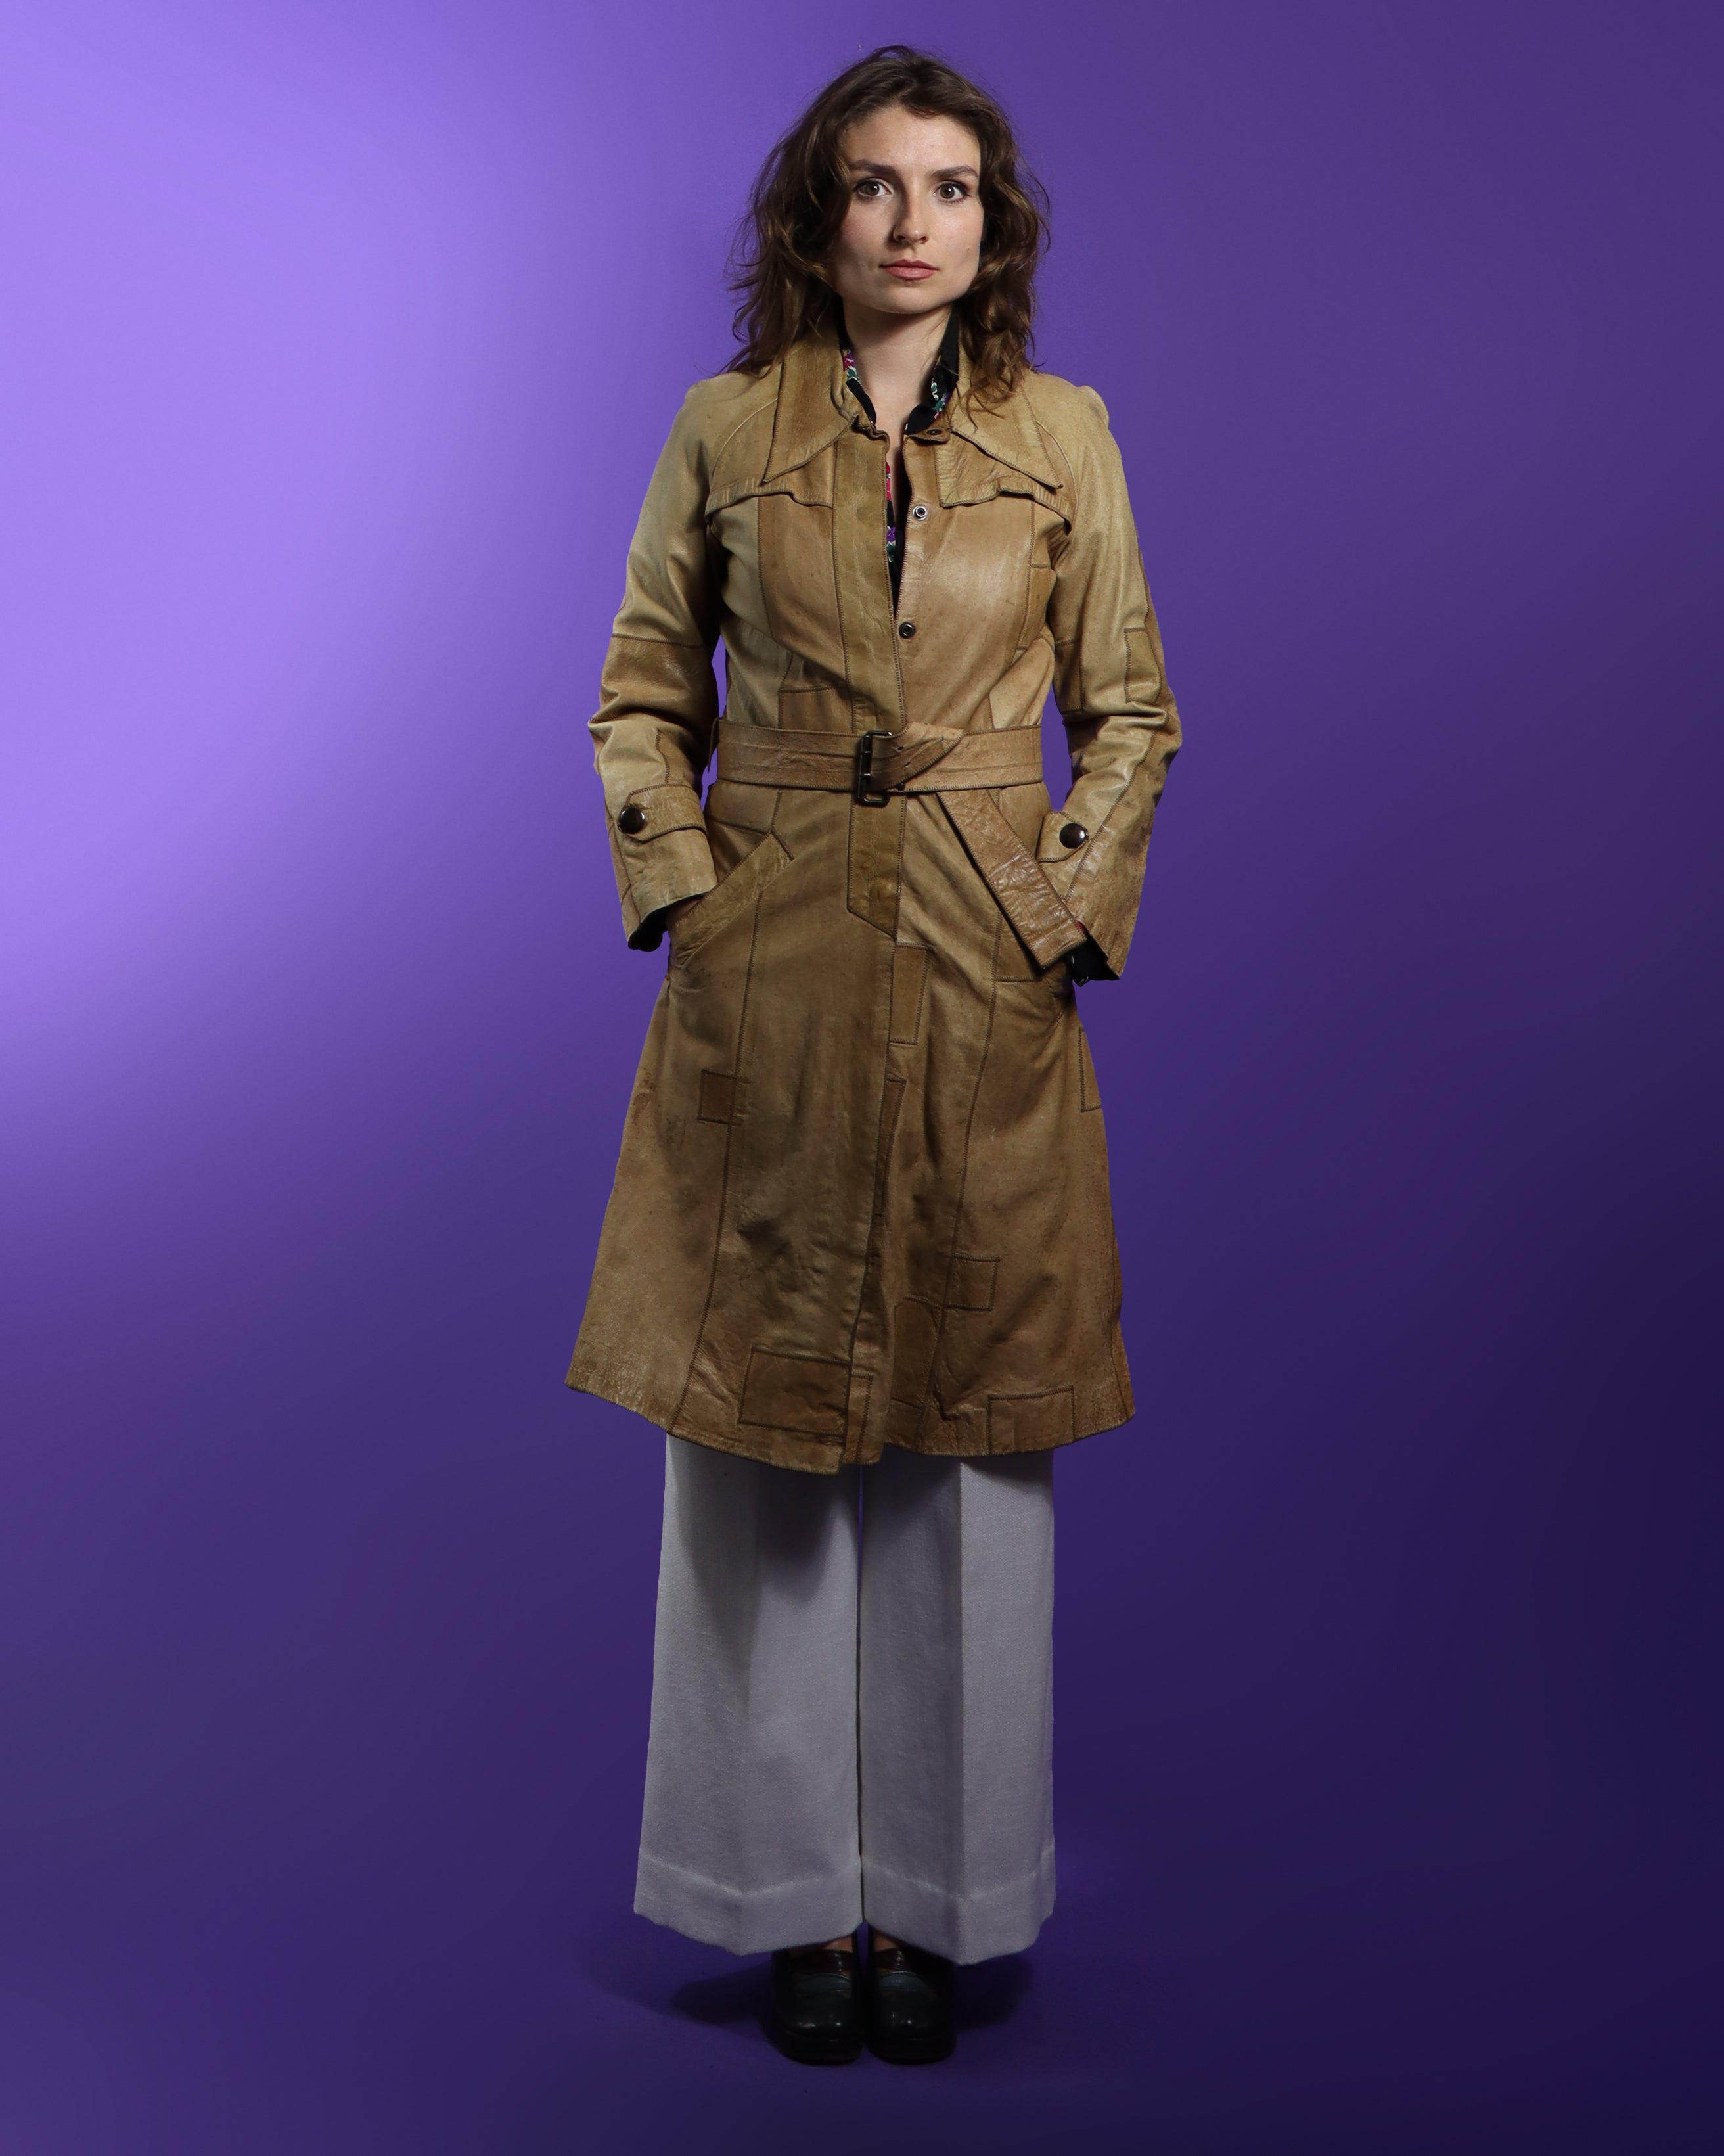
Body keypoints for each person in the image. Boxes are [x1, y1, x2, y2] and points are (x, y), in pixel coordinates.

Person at [566, 45, 1181, 2065]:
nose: (914, 223)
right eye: (875, 185)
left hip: (987, 982)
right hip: (775, 976)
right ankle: (784, 1904)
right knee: (758, 1437)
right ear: (814, 217)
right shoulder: (724, 425)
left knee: (967, 1446)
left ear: (994, 226)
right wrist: (687, 887)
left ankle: (935, 1896)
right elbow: (643, 690)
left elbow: (1131, 710)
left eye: (953, 189)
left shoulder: (1065, 435)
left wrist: (1060, 912)